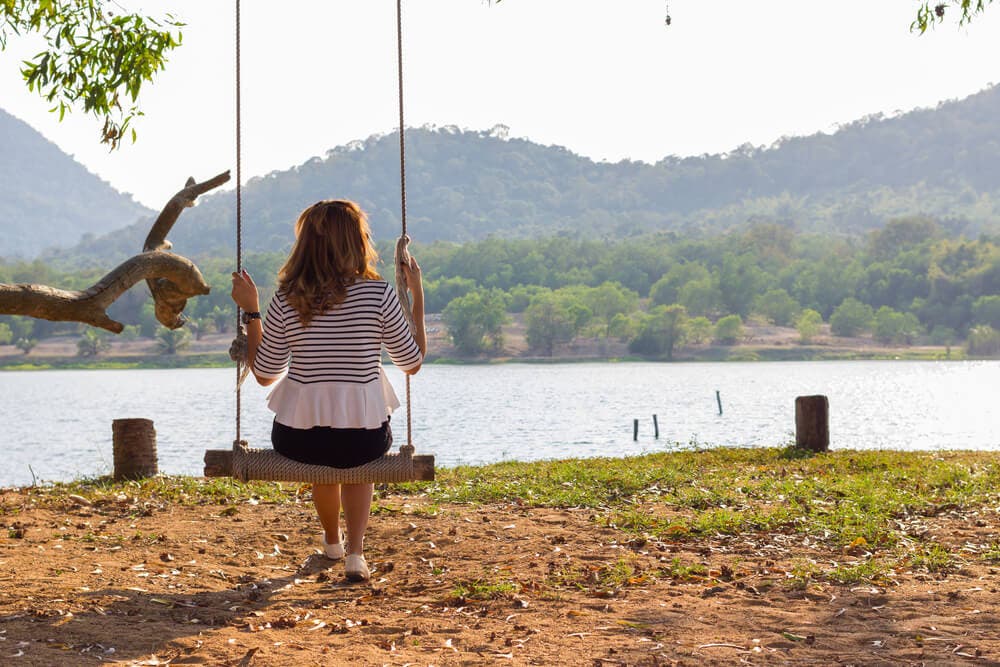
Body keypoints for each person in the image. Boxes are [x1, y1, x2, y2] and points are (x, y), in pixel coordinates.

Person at [230, 199, 425, 582]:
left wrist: (252, 311)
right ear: (356, 242)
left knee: (325, 457)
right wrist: (416, 295)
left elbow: (265, 374)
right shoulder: (378, 293)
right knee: (358, 460)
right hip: (363, 439)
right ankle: (355, 554)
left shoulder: (287, 296)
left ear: (306, 245)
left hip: (298, 440)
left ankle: (332, 542)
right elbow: (412, 362)